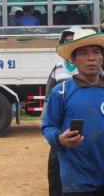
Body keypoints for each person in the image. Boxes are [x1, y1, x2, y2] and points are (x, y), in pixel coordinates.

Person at [41, 29, 104, 195]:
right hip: (78, 181)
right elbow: (48, 126)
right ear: (73, 60)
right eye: (83, 53)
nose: (91, 58)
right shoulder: (61, 92)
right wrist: (59, 139)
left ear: (102, 58)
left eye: (96, 52)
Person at [42, 26, 80, 196]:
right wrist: (46, 121)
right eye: (67, 41)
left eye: (73, 40)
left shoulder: (90, 67)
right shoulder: (57, 67)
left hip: (85, 129)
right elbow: (48, 95)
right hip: (60, 129)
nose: (70, 43)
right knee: (56, 173)